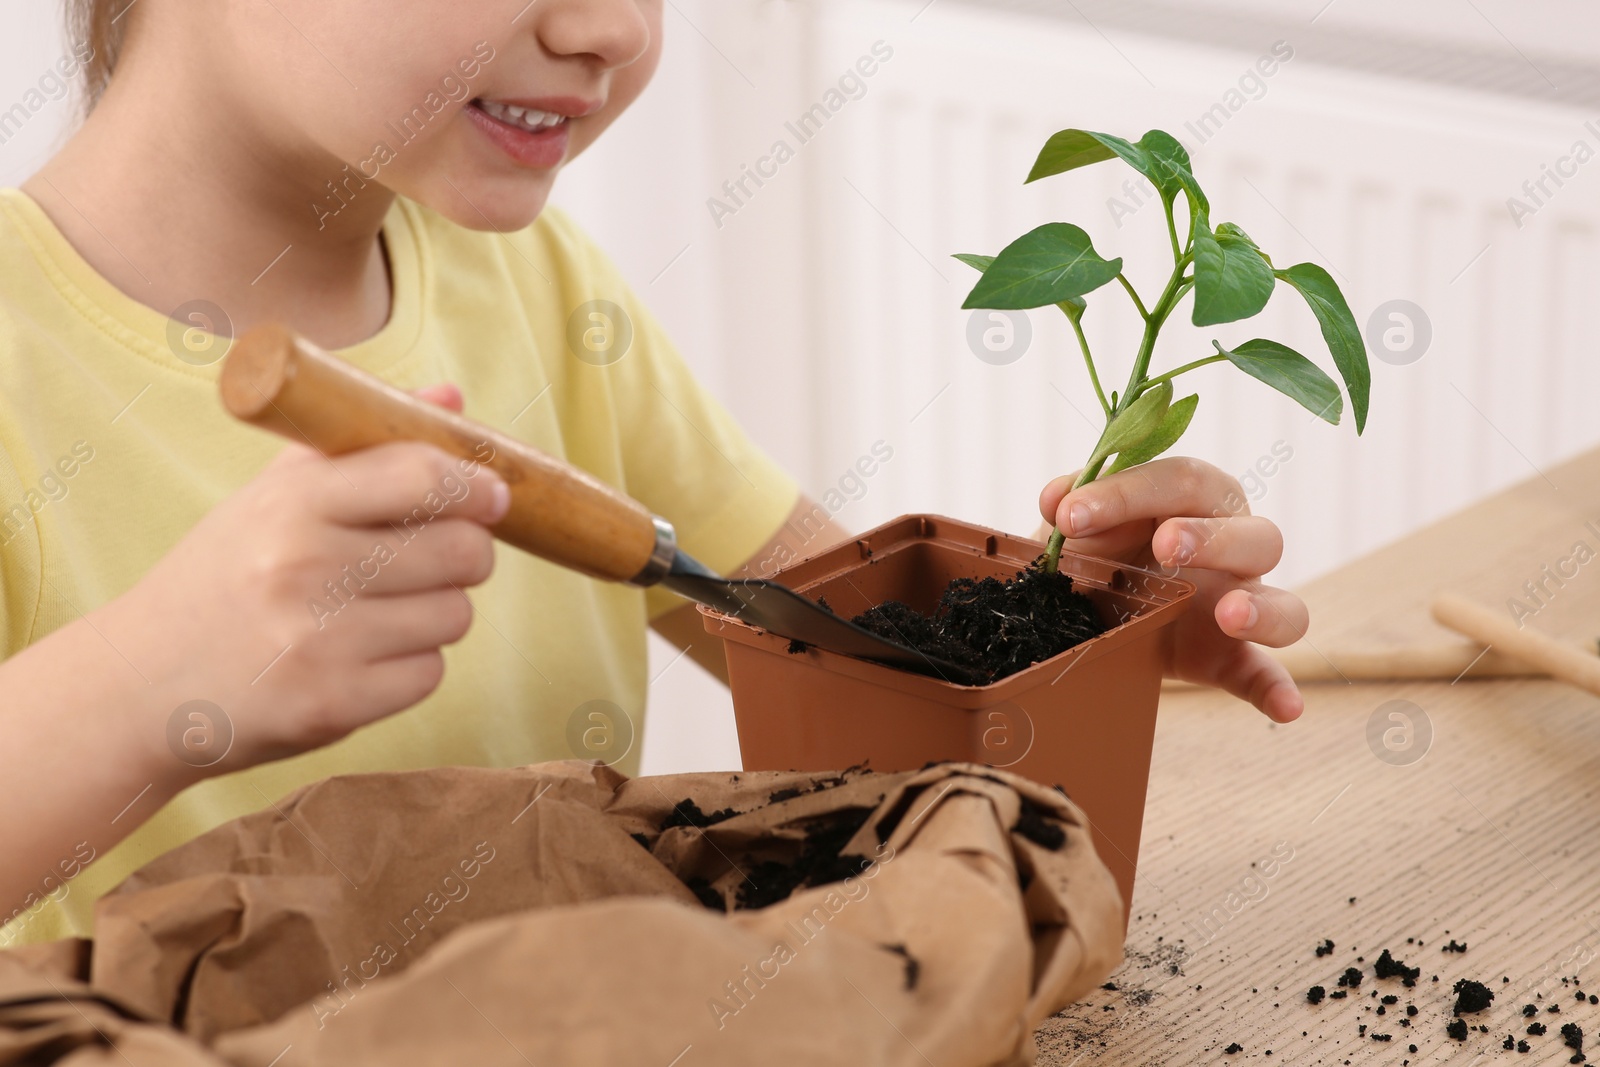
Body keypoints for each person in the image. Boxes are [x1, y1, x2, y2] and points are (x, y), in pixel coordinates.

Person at [0, 0, 1307, 944]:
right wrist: (147, 687)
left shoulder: (543, 286)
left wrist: (1066, 646)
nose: (613, 26)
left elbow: (840, 671)